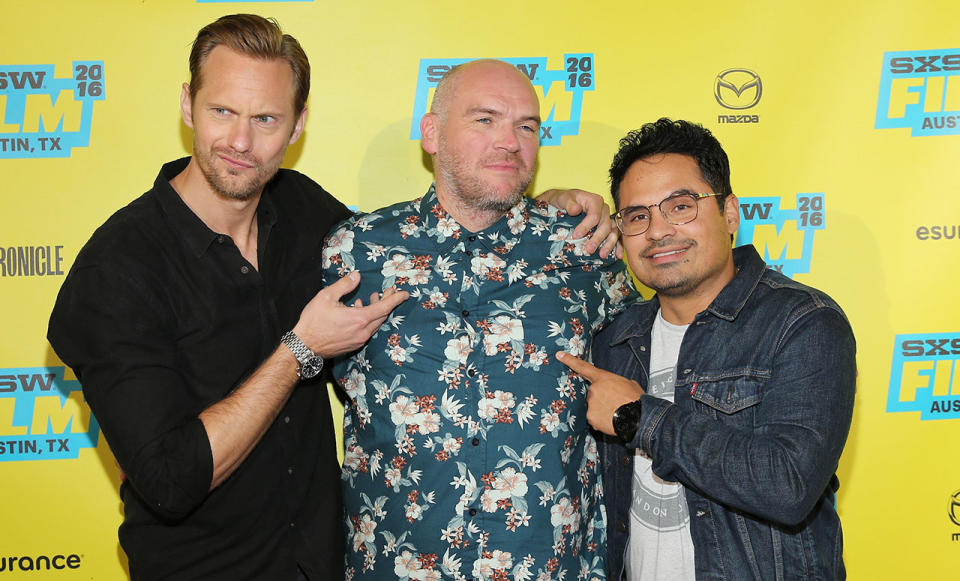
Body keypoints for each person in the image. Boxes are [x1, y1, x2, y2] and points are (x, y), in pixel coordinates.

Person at [46, 14, 409, 581]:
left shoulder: (303, 209)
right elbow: (170, 480)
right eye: (223, 112)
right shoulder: (116, 270)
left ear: (297, 126)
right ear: (188, 105)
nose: (241, 142)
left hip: (321, 565)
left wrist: (545, 213)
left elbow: (419, 252)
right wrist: (299, 350)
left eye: (266, 119)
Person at [322, 59, 638, 581]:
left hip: (549, 566)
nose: (510, 142)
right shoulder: (355, 250)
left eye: (526, 126)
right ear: (431, 133)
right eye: (485, 119)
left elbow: (641, 386)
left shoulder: (584, 249)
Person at [556, 118, 856, 580]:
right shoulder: (613, 337)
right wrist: (542, 208)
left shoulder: (801, 322)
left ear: (730, 213)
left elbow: (789, 485)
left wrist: (638, 416)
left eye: (680, 206)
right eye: (637, 216)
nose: (657, 231)